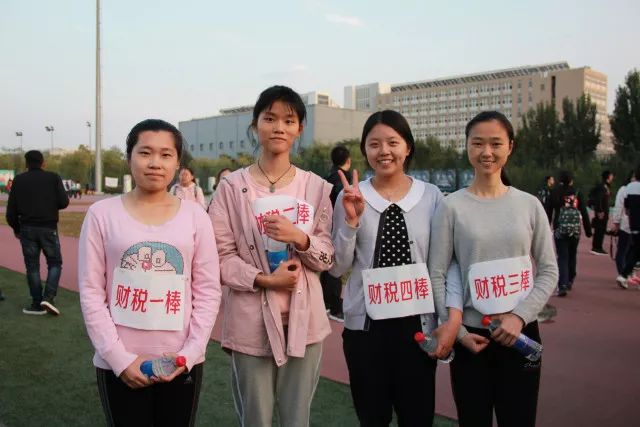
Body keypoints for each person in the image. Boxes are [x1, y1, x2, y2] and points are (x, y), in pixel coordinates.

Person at [78, 119, 221, 426]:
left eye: (166, 154)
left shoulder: (196, 216)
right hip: (119, 365)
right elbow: (91, 292)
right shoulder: (101, 215)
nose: (155, 163)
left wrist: (189, 354)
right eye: (145, 153)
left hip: (180, 364)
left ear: (178, 163)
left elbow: (208, 291)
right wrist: (119, 359)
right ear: (129, 157)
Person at [209, 85, 334, 427]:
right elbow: (220, 257)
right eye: (270, 118)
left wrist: (300, 238)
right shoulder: (231, 188)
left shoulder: (315, 187)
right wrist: (264, 280)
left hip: (305, 322)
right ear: (255, 125)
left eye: (289, 120)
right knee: (256, 418)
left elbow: (327, 258)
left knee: (297, 418)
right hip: (250, 323)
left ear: (300, 129)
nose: (279, 127)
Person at [429, 111, 558, 427]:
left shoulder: (529, 205)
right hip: (472, 340)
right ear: (467, 146)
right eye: (478, 143)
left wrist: (519, 317)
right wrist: (458, 333)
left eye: (496, 143)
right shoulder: (451, 206)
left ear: (510, 147)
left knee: (520, 419)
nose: (486, 152)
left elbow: (548, 270)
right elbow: (437, 274)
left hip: (521, 336)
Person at [331, 110, 457, 426]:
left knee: (417, 418)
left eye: (392, 142)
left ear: (408, 147)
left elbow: (443, 265)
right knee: (372, 418)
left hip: (417, 327)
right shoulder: (351, 195)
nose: (383, 151)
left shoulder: (431, 197)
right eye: (374, 144)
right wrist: (351, 222)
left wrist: (448, 320)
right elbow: (338, 267)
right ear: (364, 150)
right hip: (365, 331)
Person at [6, 150, 69, 315]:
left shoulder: (19, 180)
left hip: (27, 229)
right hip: (48, 227)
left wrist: (17, 229)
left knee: (32, 267)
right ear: (43, 163)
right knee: (55, 263)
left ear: (26, 164)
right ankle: (48, 297)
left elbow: (10, 212)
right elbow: (64, 202)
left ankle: (36, 303)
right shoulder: (53, 177)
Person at [320, 145, 352, 322]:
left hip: (326, 226)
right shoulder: (343, 180)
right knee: (335, 266)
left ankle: (326, 303)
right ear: (348, 160)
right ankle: (334, 307)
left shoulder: (328, 177)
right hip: (338, 227)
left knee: (327, 264)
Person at [550, 171, 592, 297]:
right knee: (572, 254)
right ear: (571, 180)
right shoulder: (576, 192)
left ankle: (562, 284)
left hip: (560, 228)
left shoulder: (555, 192)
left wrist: (547, 225)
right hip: (575, 229)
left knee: (562, 256)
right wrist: (588, 230)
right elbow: (583, 211)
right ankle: (570, 279)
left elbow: (548, 209)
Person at [615, 165, 640, 289]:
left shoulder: (629, 187)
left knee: (635, 250)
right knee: (633, 251)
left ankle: (624, 274)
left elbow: (626, 208)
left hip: (632, 224)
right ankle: (624, 274)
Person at [612, 171, 635, 281]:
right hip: (626, 225)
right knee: (623, 250)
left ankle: (627, 272)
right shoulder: (624, 190)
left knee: (631, 251)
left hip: (633, 225)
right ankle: (623, 273)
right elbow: (619, 206)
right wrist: (616, 222)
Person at [590, 170, 614, 255]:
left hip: (604, 212)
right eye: (611, 176)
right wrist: (599, 211)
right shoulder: (602, 187)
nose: (612, 177)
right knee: (599, 230)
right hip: (601, 212)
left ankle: (598, 247)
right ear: (608, 177)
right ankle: (596, 247)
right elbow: (598, 199)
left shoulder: (606, 187)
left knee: (602, 229)